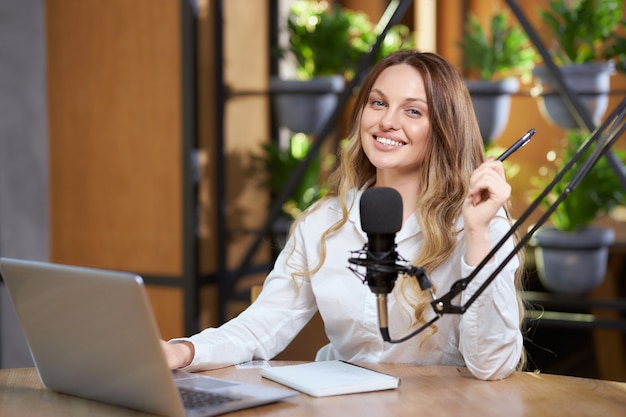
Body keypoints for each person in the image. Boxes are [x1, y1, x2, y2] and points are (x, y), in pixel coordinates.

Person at [162, 50, 525, 381]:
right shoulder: (323, 222)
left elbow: (492, 365)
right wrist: (183, 351)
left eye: (413, 111)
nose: (387, 121)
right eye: (378, 103)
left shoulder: (478, 224)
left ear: (445, 129)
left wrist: (478, 234)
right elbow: (262, 326)